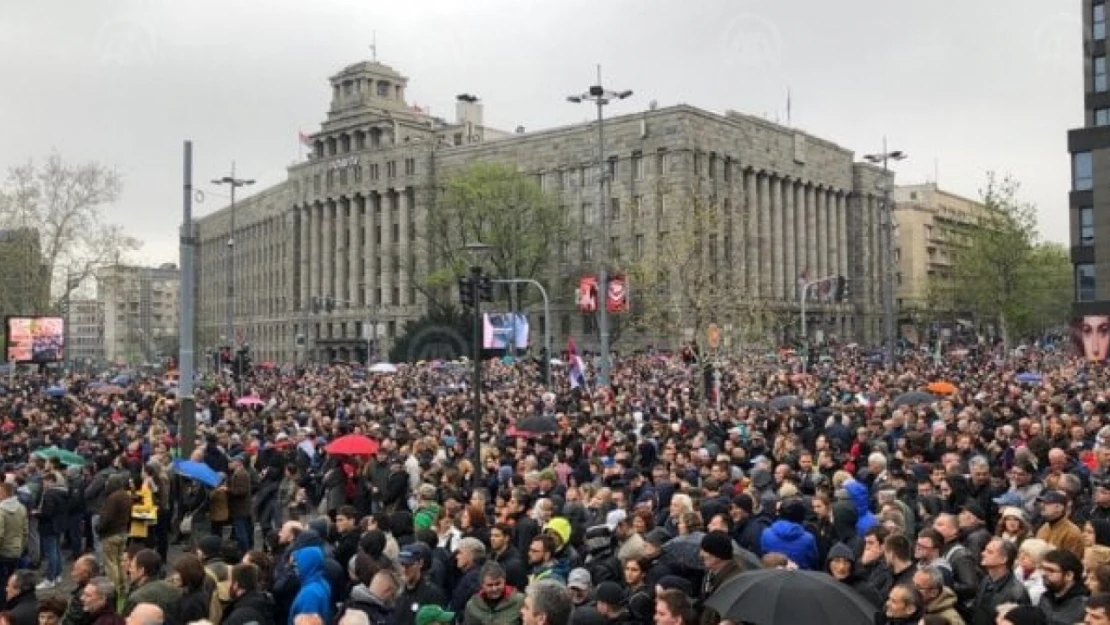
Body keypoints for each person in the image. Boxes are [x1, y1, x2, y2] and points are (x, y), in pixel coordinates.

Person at [123, 549, 182, 625]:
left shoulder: (136, 598)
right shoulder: (175, 590)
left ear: (141, 571)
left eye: (132, 566)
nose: (129, 570)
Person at [1038, 549, 1090, 625]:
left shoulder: (1084, 604)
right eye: (1043, 569)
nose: (1043, 574)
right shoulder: (1045, 597)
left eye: (1051, 570)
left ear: (1069, 575)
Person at [289, 546, 332, 625]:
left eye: (298, 562)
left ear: (306, 564)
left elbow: (307, 622)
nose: (296, 567)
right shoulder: (321, 582)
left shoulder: (310, 594)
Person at [0, 483, 26, 585]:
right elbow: (25, 532)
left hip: (3, 552)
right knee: (11, 580)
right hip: (16, 550)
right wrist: (21, 547)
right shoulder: (21, 507)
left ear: (3, 493)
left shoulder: (1, 510)